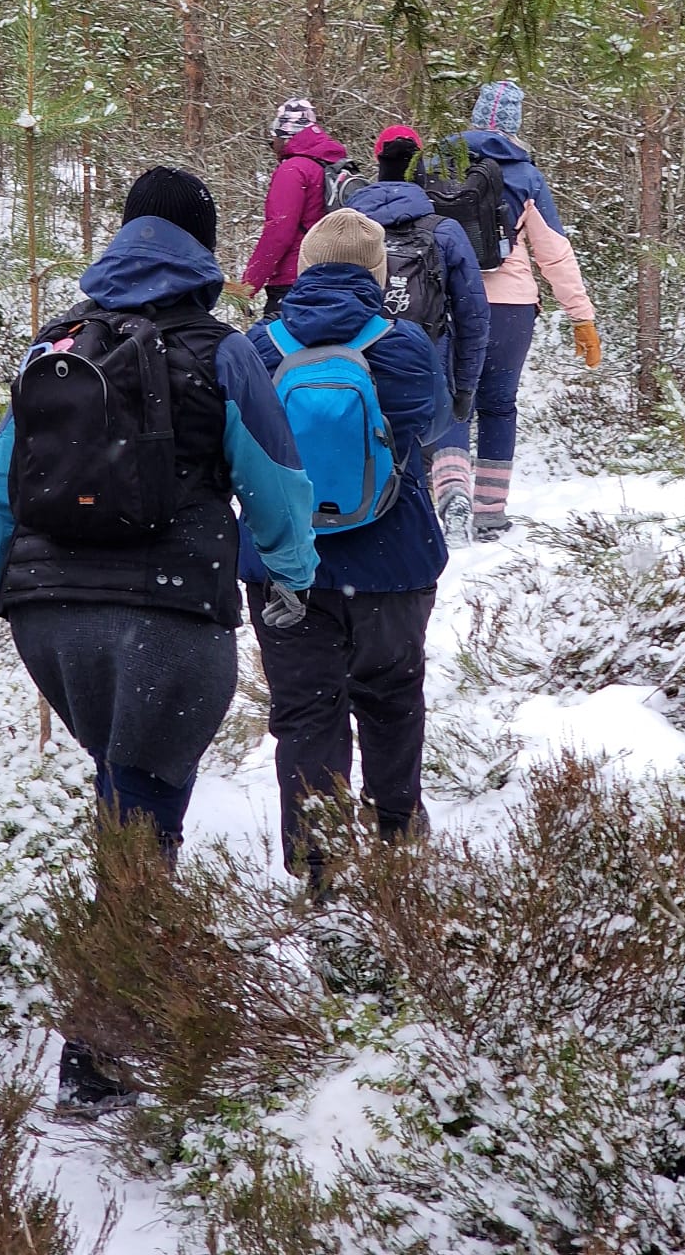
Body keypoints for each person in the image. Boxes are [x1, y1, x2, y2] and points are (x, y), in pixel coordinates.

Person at [0, 168, 317, 1114]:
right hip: (170, 620)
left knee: (125, 792)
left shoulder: (55, 343)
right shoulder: (223, 354)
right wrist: (294, 579)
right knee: (144, 819)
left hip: (47, 623)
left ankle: (118, 1019)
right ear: (202, 247)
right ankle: (102, 1056)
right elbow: (276, 486)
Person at [240, 208, 451, 891]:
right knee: (391, 701)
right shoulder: (404, 344)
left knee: (306, 713)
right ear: (378, 274)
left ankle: (319, 868)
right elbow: (433, 421)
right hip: (393, 560)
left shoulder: (257, 348)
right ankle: (397, 848)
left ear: (303, 268)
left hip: (284, 565)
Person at [432, 81, 600, 539]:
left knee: (451, 402)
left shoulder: (435, 163)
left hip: (449, 300)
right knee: (499, 405)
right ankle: (489, 512)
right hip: (511, 306)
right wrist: (580, 316)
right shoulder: (525, 176)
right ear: (515, 124)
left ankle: (452, 497)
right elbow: (554, 254)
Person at [343, 125, 490, 546]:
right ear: (420, 165)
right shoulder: (443, 230)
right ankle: (432, 520)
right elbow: (474, 316)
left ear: (377, 162)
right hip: (426, 359)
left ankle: (359, 528)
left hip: (357, 362)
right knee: (421, 447)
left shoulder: (344, 226)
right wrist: (465, 386)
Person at [230, 97, 350, 314]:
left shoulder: (294, 170)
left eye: (273, 140)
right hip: (335, 277)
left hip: (293, 282)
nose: (272, 147)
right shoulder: (333, 167)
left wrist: (247, 286)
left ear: (285, 136)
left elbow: (278, 232)